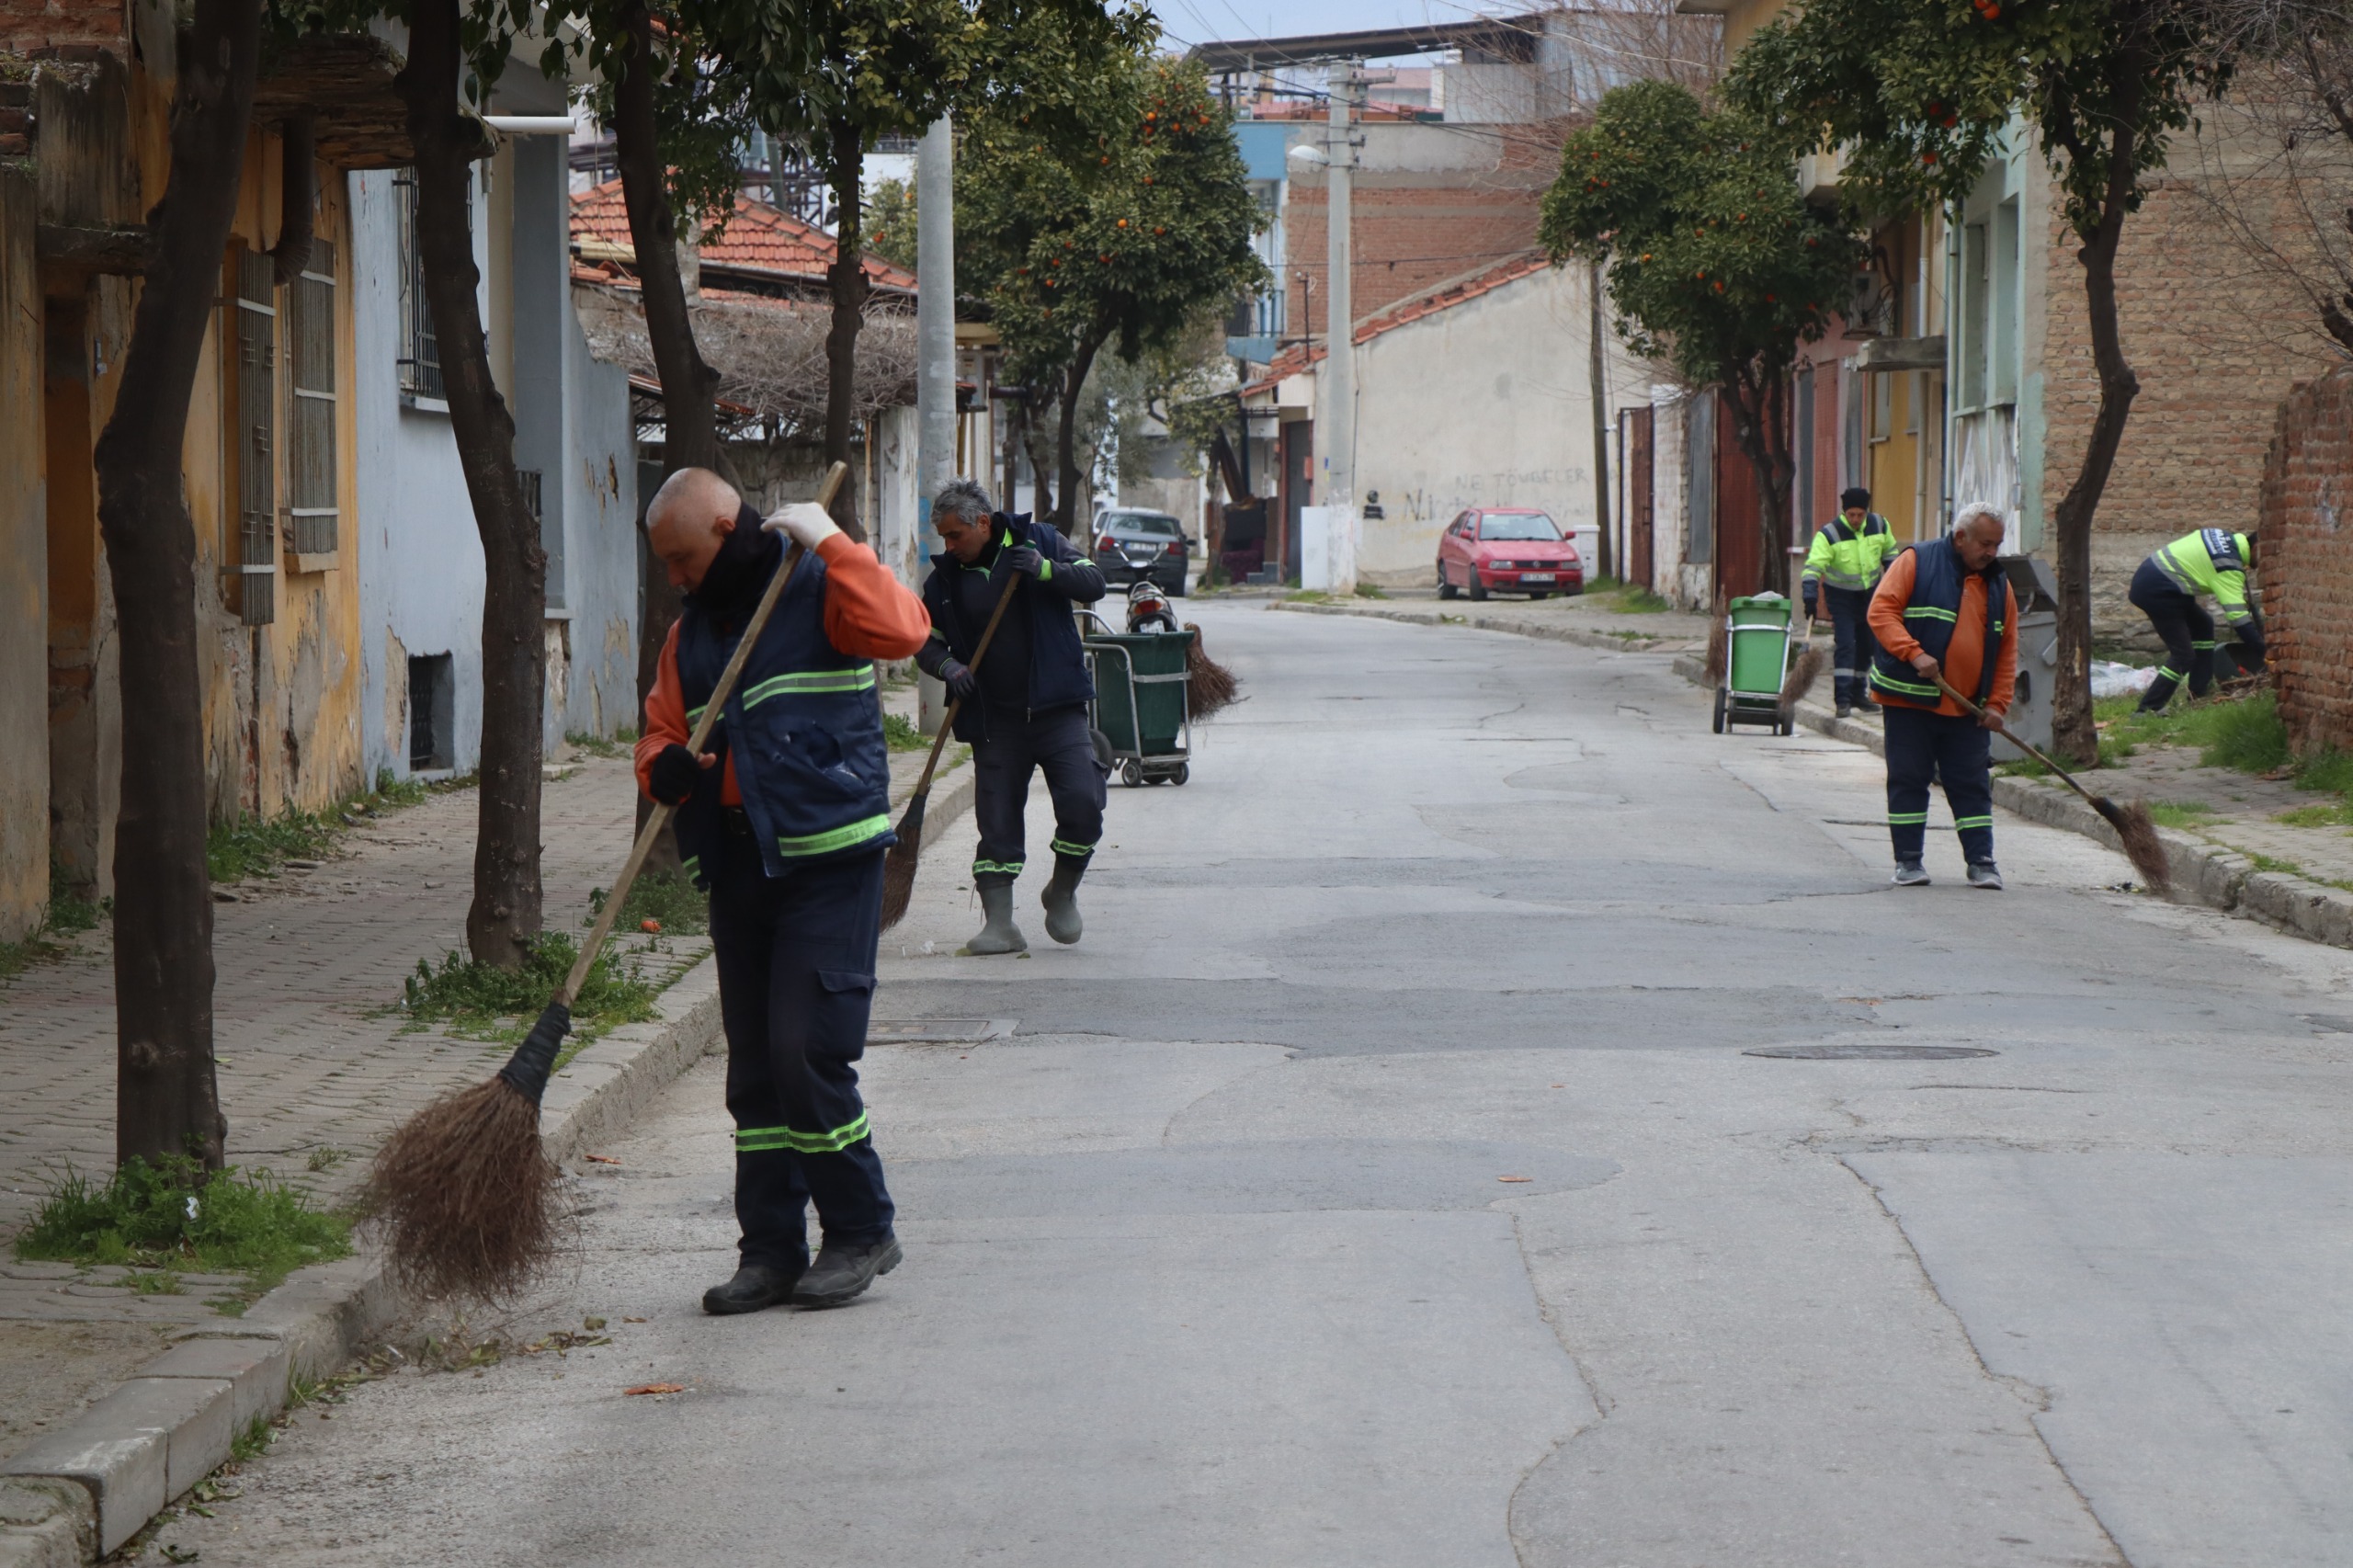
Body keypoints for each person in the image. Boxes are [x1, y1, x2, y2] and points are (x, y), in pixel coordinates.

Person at [634, 468, 931, 1315]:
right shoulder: (689, 635)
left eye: (683, 558)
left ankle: (861, 1229)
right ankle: (768, 1250)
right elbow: (657, 732)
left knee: (808, 1052)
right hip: (738, 870)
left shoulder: (818, 588)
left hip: (829, 864)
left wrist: (835, 543)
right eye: (666, 565)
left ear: (728, 530)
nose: (676, 578)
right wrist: (669, 771)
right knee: (756, 1076)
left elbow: (905, 630)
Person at [915, 478, 1108, 955]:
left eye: (955, 535)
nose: (950, 545)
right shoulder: (943, 582)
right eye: (943, 537)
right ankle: (1000, 925)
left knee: (1084, 803)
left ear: (983, 522)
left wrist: (1045, 571)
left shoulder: (1040, 541)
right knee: (997, 823)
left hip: (1057, 710)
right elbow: (923, 640)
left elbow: (1095, 583)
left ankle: (1061, 892)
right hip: (994, 721)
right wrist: (948, 666)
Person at [1867, 503, 2019, 891]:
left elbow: (2006, 650)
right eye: (1986, 543)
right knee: (1909, 778)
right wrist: (1914, 653)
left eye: (1997, 545)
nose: (1991, 552)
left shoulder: (1999, 585)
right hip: (1909, 700)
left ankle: (1982, 862)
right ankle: (1908, 862)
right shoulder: (1916, 561)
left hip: (1967, 707)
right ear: (1960, 537)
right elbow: (1881, 612)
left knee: (1971, 783)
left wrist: (1997, 705)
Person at [2130, 528, 2262, 712]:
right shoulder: (2228, 566)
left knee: (2203, 624)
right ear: (2257, 547)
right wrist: (2263, 651)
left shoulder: (2224, 537)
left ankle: (2198, 695)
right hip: (2157, 591)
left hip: (2155, 579)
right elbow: (2239, 620)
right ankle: (2146, 709)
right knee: (2183, 656)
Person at [1802, 485, 1900, 718]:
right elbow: (1813, 567)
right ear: (1844, 512)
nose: (1856, 519)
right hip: (1841, 597)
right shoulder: (1829, 534)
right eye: (1851, 515)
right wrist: (1810, 596)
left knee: (1868, 646)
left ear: (1866, 512)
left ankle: (1859, 694)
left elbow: (1892, 558)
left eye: (1860, 514)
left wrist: (1898, 588)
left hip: (1871, 596)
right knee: (1846, 645)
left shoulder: (1879, 525)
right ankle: (1842, 700)